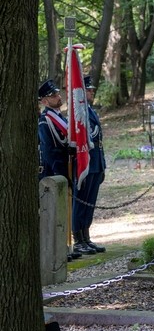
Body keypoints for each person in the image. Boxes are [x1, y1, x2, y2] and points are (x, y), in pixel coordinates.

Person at [38, 79, 82, 261]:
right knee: (52, 213)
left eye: (57, 93)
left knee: (62, 212)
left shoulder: (60, 118)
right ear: (44, 101)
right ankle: (55, 250)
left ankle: (64, 246)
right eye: (53, 95)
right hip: (52, 173)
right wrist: (60, 174)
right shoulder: (45, 121)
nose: (58, 97)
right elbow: (49, 151)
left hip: (63, 170)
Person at [72, 75, 107, 254]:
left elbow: (99, 141)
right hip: (85, 165)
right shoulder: (78, 113)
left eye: (92, 90)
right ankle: (78, 239)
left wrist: (102, 165)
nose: (92, 92)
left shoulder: (90, 111)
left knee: (90, 202)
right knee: (81, 202)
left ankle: (86, 236)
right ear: (81, 92)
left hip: (95, 164)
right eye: (88, 89)